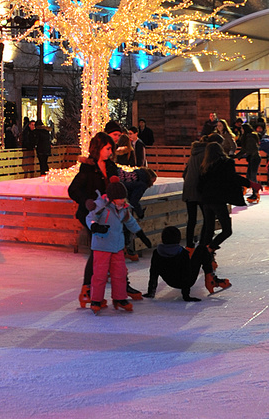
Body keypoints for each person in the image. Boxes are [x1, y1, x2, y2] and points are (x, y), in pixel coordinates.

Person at [67, 131, 143, 307]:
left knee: (117, 250)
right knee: (99, 251)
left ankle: (122, 287)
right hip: (92, 216)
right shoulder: (87, 169)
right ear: (99, 148)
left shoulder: (110, 166)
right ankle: (87, 289)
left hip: (111, 216)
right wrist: (86, 201)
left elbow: (118, 183)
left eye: (111, 148)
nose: (111, 151)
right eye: (108, 148)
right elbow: (73, 190)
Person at [85, 178, 151, 313]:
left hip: (117, 247)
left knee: (119, 273)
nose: (122, 200)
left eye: (123, 198)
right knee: (100, 275)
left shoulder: (124, 209)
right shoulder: (101, 207)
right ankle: (96, 299)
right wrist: (95, 226)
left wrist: (140, 234)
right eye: (119, 198)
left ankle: (120, 298)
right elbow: (90, 218)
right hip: (102, 247)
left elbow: (130, 222)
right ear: (112, 198)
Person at [143, 225, 230, 300]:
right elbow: (186, 273)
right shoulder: (182, 253)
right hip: (187, 282)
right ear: (178, 239)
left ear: (162, 239)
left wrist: (151, 292)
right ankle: (210, 279)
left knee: (199, 251)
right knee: (201, 249)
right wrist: (186, 296)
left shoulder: (157, 253)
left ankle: (210, 280)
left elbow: (153, 272)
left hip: (171, 281)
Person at [198, 140, 246, 257]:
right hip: (218, 200)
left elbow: (200, 185)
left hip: (206, 200)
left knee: (209, 230)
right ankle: (210, 249)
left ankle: (206, 257)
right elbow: (232, 178)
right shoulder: (226, 163)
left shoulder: (204, 167)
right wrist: (249, 183)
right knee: (226, 230)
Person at [236, 123, 261, 203]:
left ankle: (255, 193)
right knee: (249, 175)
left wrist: (238, 156)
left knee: (252, 176)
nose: (241, 130)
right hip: (253, 158)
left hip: (254, 158)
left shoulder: (249, 137)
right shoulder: (249, 136)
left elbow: (248, 149)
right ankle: (253, 192)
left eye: (242, 129)